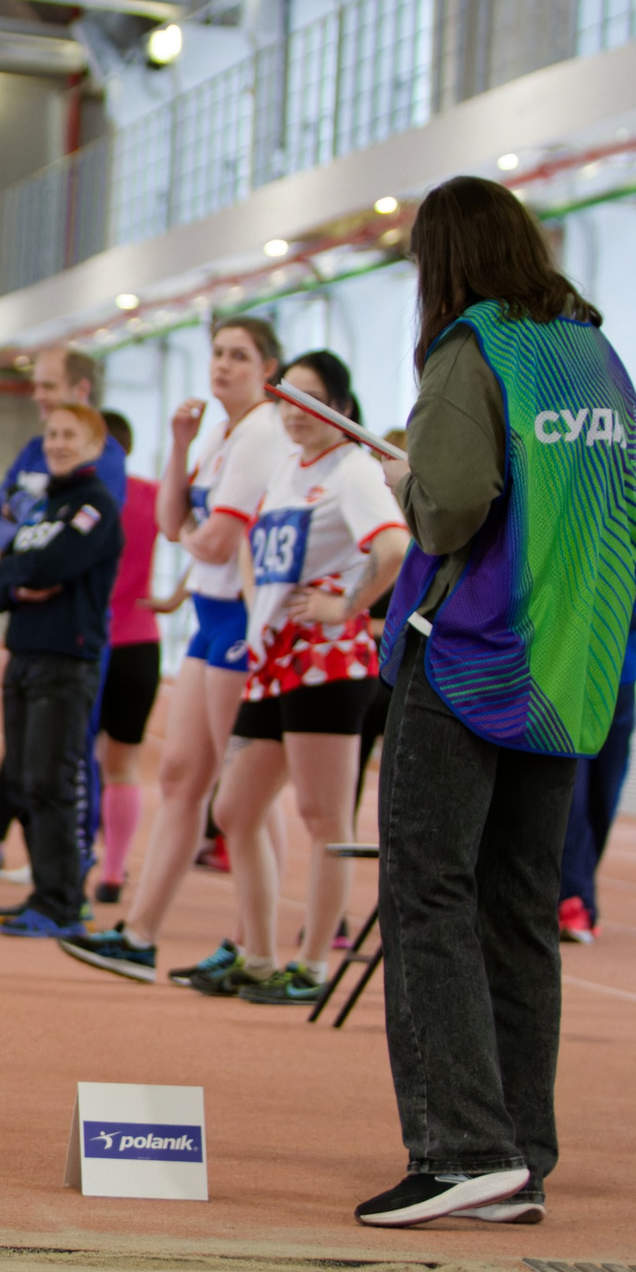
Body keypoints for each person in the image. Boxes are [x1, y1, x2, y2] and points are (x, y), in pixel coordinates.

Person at [355, 176, 636, 1231]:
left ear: (443, 260)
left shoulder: (467, 350)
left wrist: (403, 480)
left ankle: (459, 1149)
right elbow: (626, 503)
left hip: (468, 655)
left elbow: (444, 512)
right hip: (567, 665)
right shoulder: (595, 353)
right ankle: (518, 1149)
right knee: (519, 908)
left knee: (426, 892)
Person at [184, 353, 407, 1007]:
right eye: (285, 398)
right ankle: (257, 955)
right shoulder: (288, 467)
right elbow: (255, 543)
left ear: (340, 407)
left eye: (310, 399)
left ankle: (311, 966)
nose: (293, 411)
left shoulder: (355, 470)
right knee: (234, 809)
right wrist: (260, 610)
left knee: (323, 816)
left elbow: (394, 549)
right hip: (277, 656)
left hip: (328, 662)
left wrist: (348, 605)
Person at [79, 318, 287, 985]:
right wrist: (178, 443)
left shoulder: (262, 430)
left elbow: (217, 542)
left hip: (245, 622)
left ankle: (256, 943)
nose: (222, 366)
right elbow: (175, 523)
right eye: (217, 354)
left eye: (238, 356)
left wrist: (198, 533)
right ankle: (141, 932)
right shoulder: (223, 432)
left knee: (243, 793)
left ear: (267, 366)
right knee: (178, 774)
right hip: (208, 618)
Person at [0, 348, 128, 882]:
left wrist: (19, 569)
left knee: (62, 766)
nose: (36, 397)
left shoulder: (97, 482)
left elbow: (60, 560)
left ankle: (68, 878)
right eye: (35, 386)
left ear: (82, 393)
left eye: (48, 386)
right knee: (28, 771)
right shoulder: (32, 453)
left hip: (70, 642)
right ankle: (46, 881)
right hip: (28, 643)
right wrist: (15, 569)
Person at [555, 508, 636, 944]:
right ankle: (574, 900)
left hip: (620, 679)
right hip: (568, 677)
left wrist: (619, 614)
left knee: (604, 797)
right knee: (572, 794)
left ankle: (576, 891)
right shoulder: (569, 506)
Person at [92, 410, 160, 904]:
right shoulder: (153, 496)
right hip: (140, 641)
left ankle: (84, 858)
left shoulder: (79, 499)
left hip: (88, 643)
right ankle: (113, 871)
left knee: (80, 761)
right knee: (123, 764)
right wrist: (178, 596)